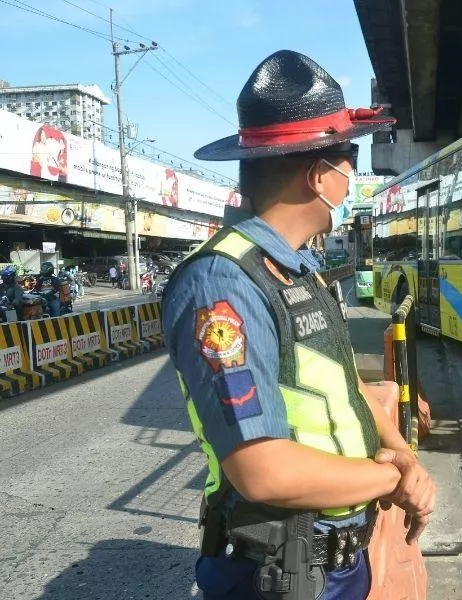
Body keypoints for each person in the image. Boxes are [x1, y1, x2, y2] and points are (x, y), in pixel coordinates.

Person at [162, 50, 435, 600]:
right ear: (318, 175)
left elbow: (344, 385)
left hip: (335, 561)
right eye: (349, 160)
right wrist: (393, 478)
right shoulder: (222, 283)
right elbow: (262, 470)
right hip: (276, 573)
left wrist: (401, 453)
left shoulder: (298, 269)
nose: (352, 178)